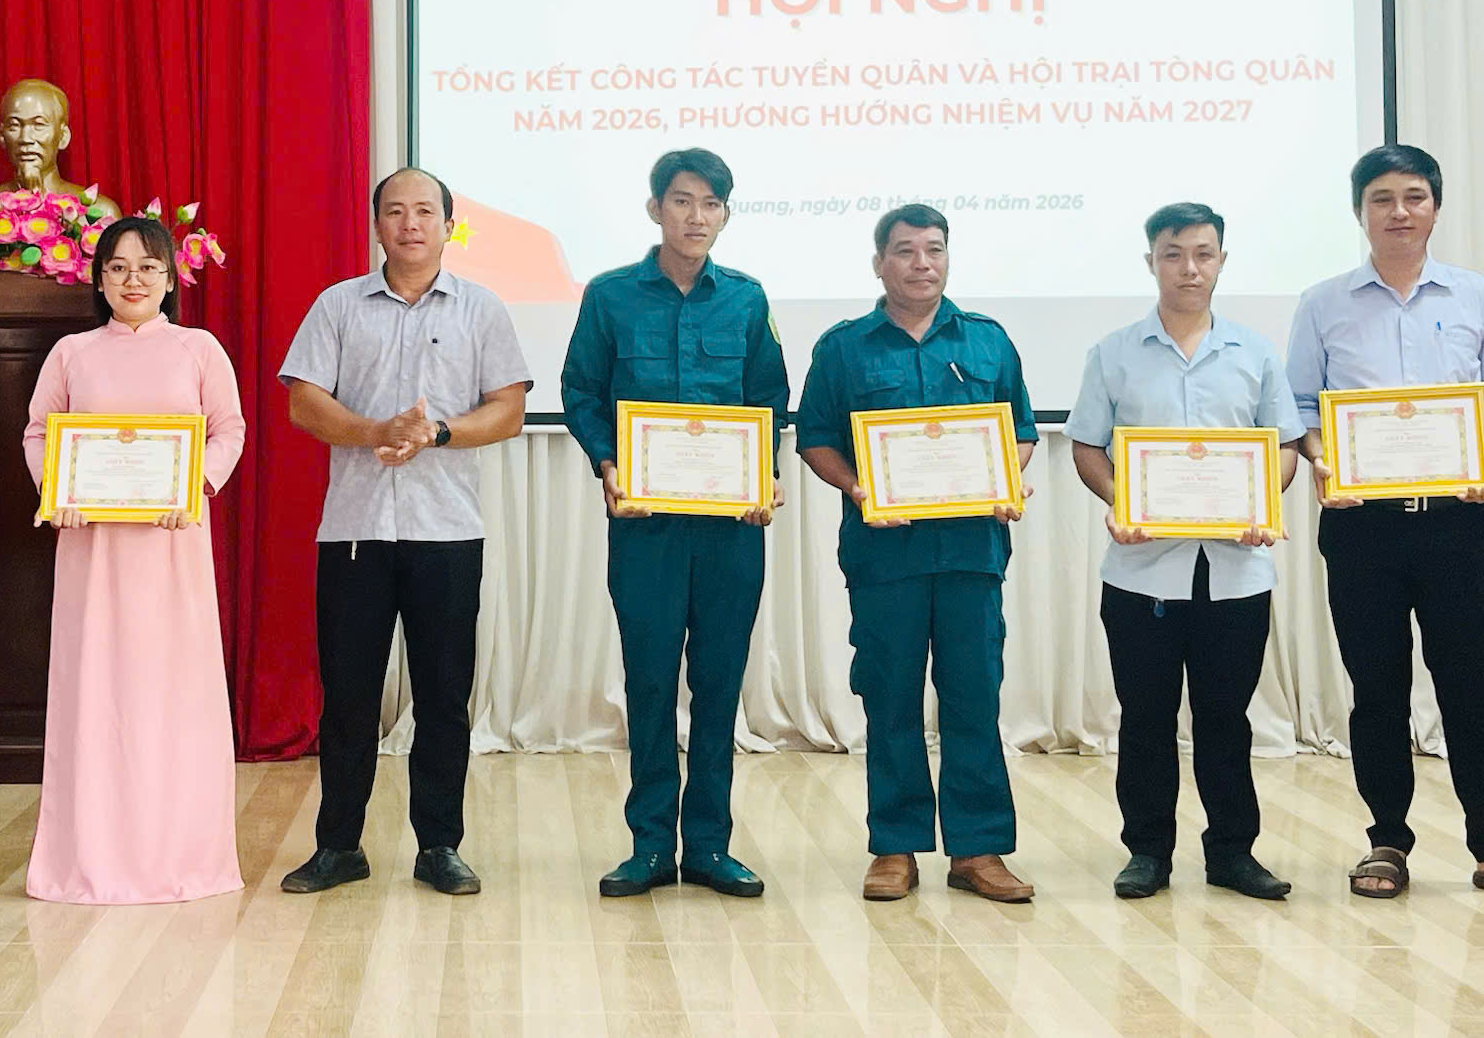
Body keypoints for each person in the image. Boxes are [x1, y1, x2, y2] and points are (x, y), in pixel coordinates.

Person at [1287, 144, 1484, 906]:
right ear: (1359, 212)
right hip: (1362, 530)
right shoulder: (1322, 303)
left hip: (1456, 526)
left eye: (1414, 197)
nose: (1399, 212)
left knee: (1468, 687)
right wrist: (1324, 460)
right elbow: (1300, 407)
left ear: (1435, 207)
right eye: (1382, 198)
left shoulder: (1474, 296)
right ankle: (1386, 840)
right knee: (1377, 690)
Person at [276, 168, 530, 896]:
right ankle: (338, 846)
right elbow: (303, 404)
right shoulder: (338, 305)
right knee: (348, 696)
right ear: (377, 225)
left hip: (446, 532)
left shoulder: (482, 308)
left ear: (449, 225)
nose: (410, 224)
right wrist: (375, 432)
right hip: (354, 531)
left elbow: (508, 410)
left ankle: (439, 846)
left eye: (425, 211)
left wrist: (436, 433)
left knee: (444, 698)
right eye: (395, 211)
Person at [560, 148, 787, 899]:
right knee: (652, 682)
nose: (697, 217)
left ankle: (711, 846)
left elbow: (769, 398)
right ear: (656, 208)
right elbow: (581, 390)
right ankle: (652, 845)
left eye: (711, 204)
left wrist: (764, 475)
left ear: (725, 214)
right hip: (646, 523)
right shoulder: (611, 295)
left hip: (730, 528)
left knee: (719, 686)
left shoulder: (747, 299)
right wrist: (608, 463)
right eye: (683, 201)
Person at [795, 203, 1038, 904]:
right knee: (890, 698)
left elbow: (1021, 430)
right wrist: (858, 487)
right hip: (884, 555)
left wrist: (1006, 478)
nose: (921, 263)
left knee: (973, 698)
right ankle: (894, 847)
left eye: (934, 249)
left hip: (970, 553)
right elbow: (815, 438)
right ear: (880, 263)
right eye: (905, 251)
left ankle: (978, 850)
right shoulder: (844, 348)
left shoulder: (988, 340)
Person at [1063, 202, 1301, 902]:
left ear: (1221, 261)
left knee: (1227, 721)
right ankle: (1147, 852)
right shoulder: (1112, 353)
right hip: (1142, 573)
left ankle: (1232, 852)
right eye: (1173, 254)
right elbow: (1086, 447)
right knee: (1146, 720)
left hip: (1237, 572)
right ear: (1152, 262)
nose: (1189, 268)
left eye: (1203, 254)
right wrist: (1120, 501)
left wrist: (1263, 505)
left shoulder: (1255, 353)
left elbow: (1285, 448)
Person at [22, 215, 247, 903]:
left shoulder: (199, 350)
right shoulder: (72, 353)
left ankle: (180, 857)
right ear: (97, 279)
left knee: (171, 697)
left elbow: (228, 429)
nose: (133, 280)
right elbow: (38, 433)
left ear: (170, 277)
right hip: (93, 551)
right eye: (117, 267)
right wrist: (56, 492)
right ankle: (89, 857)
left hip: (171, 549)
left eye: (148, 267)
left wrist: (197, 485)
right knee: (96, 695)